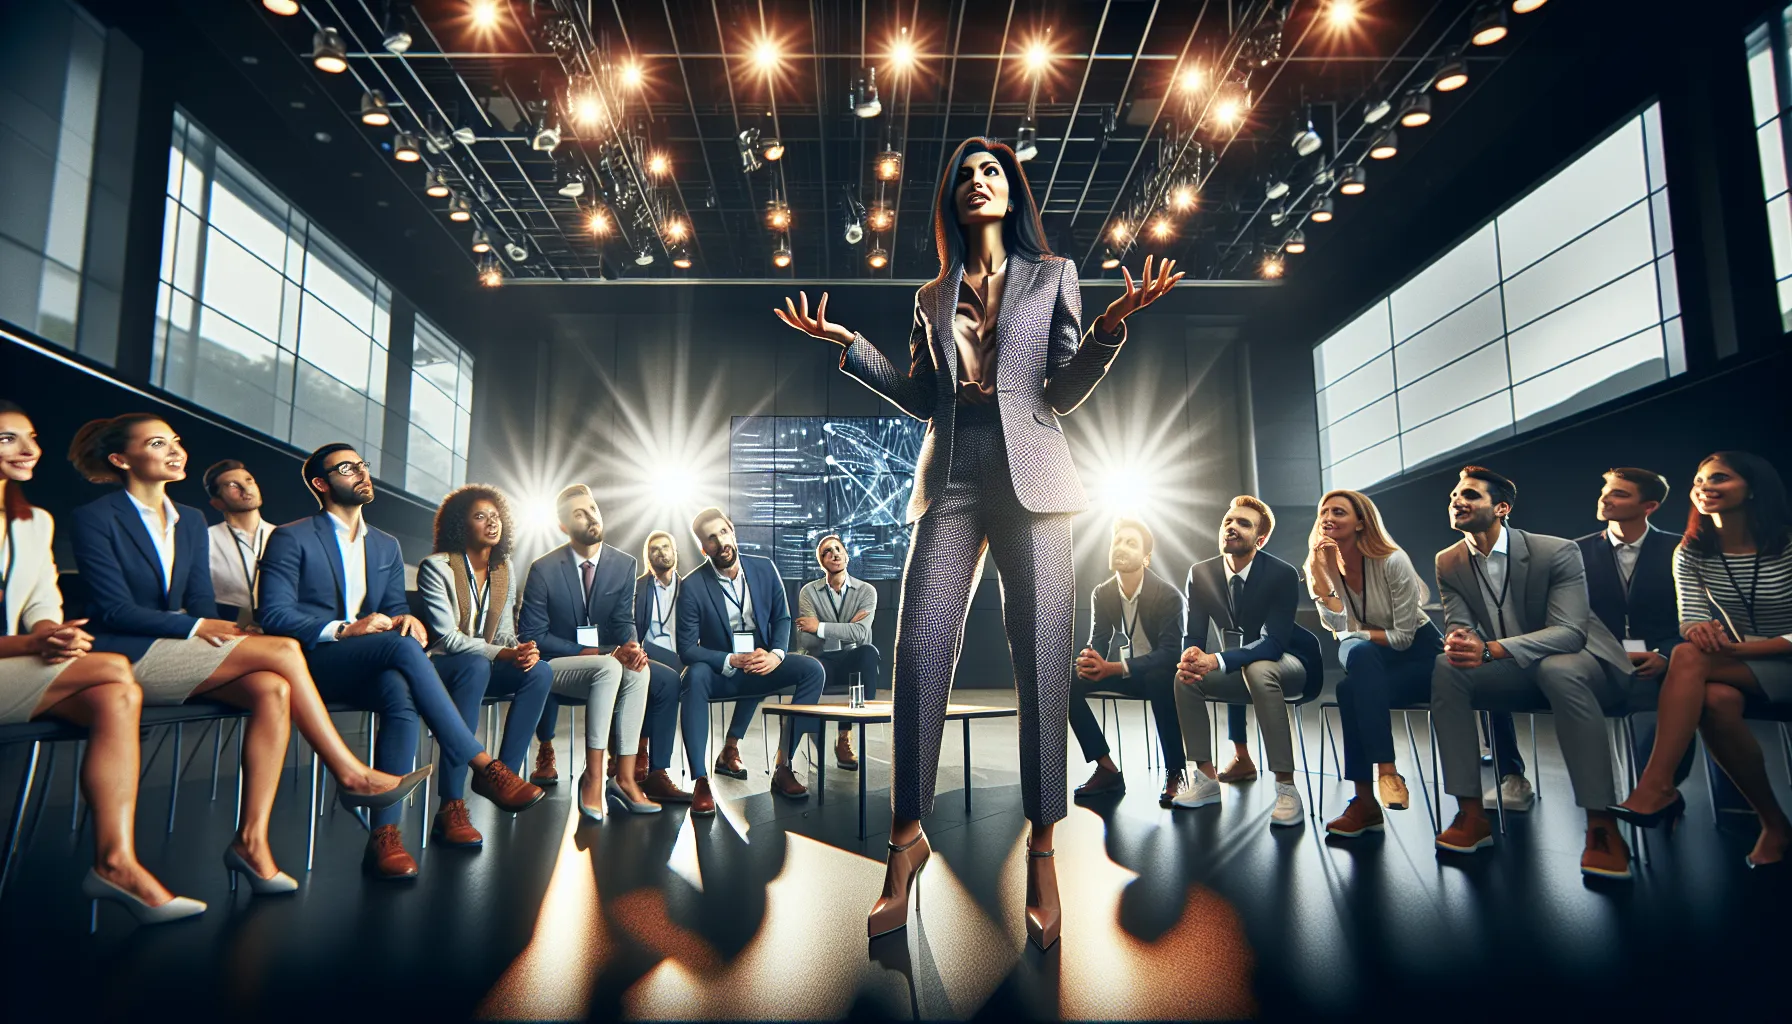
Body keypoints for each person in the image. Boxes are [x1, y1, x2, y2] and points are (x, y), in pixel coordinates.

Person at [774, 136, 1182, 949]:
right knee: (920, 650)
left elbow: (1059, 391)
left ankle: (1041, 846)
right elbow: (924, 395)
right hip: (952, 472)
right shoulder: (932, 294)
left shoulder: (1053, 275)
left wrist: (1108, 327)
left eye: (991, 172)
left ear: (1012, 190)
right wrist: (847, 349)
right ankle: (904, 839)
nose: (977, 183)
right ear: (951, 202)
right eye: (963, 176)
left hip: (1034, 472)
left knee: (1041, 660)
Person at [66, 416, 428, 893]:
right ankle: (351, 771)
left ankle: (251, 843)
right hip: (123, 652)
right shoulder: (94, 517)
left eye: (175, 441)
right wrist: (201, 626)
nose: (175, 450)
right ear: (120, 459)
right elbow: (112, 610)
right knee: (278, 649)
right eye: (157, 443)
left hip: (181, 651)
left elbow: (198, 602)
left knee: (273, 686)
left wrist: (216, 629)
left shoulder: (190, 519)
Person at [258, 442, 541, 881]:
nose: (361, 473)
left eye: (362, 465)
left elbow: (391, 609)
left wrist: (405, 618)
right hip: (314, 661)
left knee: (409, 683)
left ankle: (384, 837)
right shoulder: (291, 536)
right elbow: (273, 614)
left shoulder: (385, 546)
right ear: (321, 483)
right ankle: (483, 766)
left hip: (374, 661)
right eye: (347, 468)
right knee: (401, 650)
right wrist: (342, 628)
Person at [0, 402, 204, 926]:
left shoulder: (32, 522)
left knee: (116, 689)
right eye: (8, 440)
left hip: (13, 669)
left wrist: (53, 633)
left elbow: (43, 602)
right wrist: (32, 647)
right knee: (114, 669)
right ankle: (115, 864)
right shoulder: (96, 517)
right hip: (12, 662)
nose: (30, 451)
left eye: (31, 437)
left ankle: (115, 863)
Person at [1429, 466, 1636, 880]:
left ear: (1501, 508)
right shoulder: (1448, 561)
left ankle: (1601, 825)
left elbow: (1569, 633)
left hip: (1580, 660)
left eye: (1470, 495)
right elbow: (1457, 621)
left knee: (1559, 670)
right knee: (1445, 665)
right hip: (1509, 667)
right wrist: (1461, 640)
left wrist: (1489, 649)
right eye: (1454, 495)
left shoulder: (1555, 551)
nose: (1457, 500)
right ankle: (1471, 814)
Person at [1612, 452, 1792, 867]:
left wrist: (1740, 648)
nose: (1705, 486)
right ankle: (1774, 824)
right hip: (1738, 661)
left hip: (1771, 657)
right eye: (1699, 479)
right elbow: (1690, 617)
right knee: (1714, 698)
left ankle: (1656, 787)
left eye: (1721, 478)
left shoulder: (1786, 544)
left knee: (1689, 658)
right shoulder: (1691, 551)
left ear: (1753, 489)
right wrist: (1699, 630)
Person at [1578, 468, 1737, 805]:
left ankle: (1660, 788)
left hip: (1666, 660)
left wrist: (1665, 655)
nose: (1606, 497)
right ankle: (1626, 796)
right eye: (1606, 490)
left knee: (1665, 692)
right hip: (1600, 661)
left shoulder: (1683, 549)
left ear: (1649, 506)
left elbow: (1707, 620)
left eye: (1619, 493)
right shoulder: (1573, 553)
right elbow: (1572, 619)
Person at [516, 485, 667, 820]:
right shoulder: (543, 568)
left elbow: (622, 619)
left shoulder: (624, 563)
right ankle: (593, 777)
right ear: (563, 527)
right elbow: (532, 634)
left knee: (638, 669)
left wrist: (631, 645)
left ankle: (624, 779)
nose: (591, 517)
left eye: (593, 509)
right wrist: (598, 651)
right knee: (609, 667)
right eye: (579, 514)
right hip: (555, 665)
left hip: (602, 662)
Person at [416, 485, 556, 846]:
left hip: (485, 664)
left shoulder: (503, 568)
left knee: (540, 671)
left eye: (496, 516)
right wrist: (502, 654)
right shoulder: (437, 568)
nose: (491, 522)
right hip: (443, 669)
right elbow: (447, 639)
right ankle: (451, 805)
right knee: (474, 667)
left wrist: (521, 649)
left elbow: (505, 633)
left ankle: (501, 775)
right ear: (461, 524)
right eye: (480, 516)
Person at [1172, 496, 1323, 826]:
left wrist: (1216, 660)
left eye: (1244, 523)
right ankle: (1206, 781)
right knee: (1184, 676)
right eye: (1228, 521)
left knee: (1258, 668)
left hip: (1291, 660)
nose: (1232, 527)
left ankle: (1286, 788)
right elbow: (1194, 635)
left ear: (1261, 538)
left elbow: (1273, 644)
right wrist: (1192, 656)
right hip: (1245, 662)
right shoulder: (1201, 573)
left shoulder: (1282, 574)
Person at [1304, 489, 1443, 838]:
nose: (1328, 518)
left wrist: (1360, 633)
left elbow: (1403, 638)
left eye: (1339, 512)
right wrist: (1323, 576)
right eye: (1324, 512)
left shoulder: (1393, 561)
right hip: (1370, 659)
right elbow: (1337, 630)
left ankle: (1366, 802)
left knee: (1351, 689)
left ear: (1361, 522)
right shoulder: (1318, 568)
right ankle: (1386, 773)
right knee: (1359, 660)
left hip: (1419, 659)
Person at [675, 506, 826, 816]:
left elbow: (782, 618)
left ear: (733, 531)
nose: (721, 542)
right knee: (693, 675)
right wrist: (729, 658)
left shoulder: (764, 568)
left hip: (761, 662)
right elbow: (687, 648)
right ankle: (701, 780)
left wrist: (775, 655)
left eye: (723, 532)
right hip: (723, 669)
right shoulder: (691, 585)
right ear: (704, 548)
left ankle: (783, 766)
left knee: (812, 670)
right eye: (711, 539)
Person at [1068, 517, 1189, 807]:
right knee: (1066, 683)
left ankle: (1176, 771)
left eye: (1131, 543)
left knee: (1160, 678)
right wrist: (1089, 658)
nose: (1120, 547)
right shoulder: (1103, 592)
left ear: (1146, 558)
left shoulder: (1169, 595)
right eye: (1117, 541)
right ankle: (1107, 768)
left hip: (1159, 674)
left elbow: (1171, 653)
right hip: (1127, 672)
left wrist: (1115, 667)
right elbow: (1098, 639)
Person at [794, 533, 880, 770]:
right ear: (821, 562)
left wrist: (820, 626)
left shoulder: (866, 592)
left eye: (838, 549)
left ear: (846, 555)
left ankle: (845, 737)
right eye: (826, 552)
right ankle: (813, 741)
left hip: (852, 659)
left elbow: (861, 635)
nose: (834, 554)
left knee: (868, 652)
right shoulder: (808, 592)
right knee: (813, 668)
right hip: (823, 660)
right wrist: (847, 627)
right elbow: (807, 639)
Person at [202, 460, 273, 628]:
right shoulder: (205, 539)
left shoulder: (286, 536)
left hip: (279, 629)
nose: (246, 489)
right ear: (216, 502)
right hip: (226, 630)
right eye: (233, 485)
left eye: (249, 480)